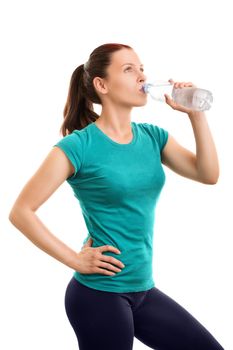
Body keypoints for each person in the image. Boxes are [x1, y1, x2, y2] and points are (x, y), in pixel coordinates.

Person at [9, 43, 224, 350]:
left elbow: (208, 174)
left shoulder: (154, 137)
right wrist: (75, 259)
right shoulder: (77, 146)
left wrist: (196, 115)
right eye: (128, 69)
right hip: (98, 294)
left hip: (143, 291)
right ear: (102, 85)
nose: (141, 75)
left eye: (141, 68)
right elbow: (21, 211)